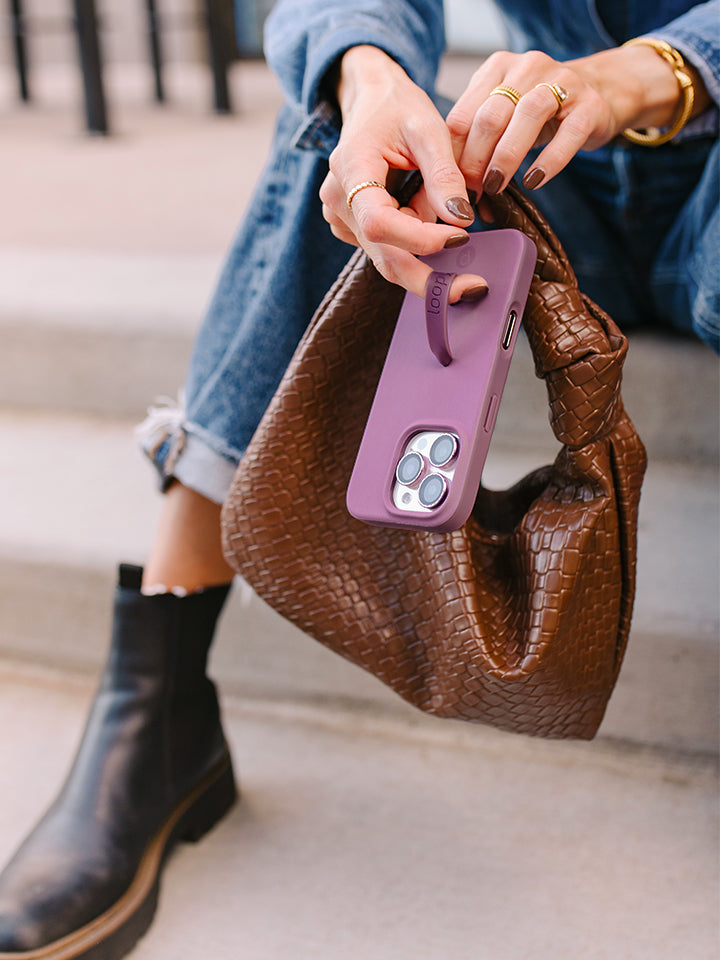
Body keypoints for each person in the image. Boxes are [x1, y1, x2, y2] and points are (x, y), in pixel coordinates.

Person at [0, 1, 717, 957]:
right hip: (551, 173)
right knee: (360, 145)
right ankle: (159, 700)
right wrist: (366, 74)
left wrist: (662, 68)